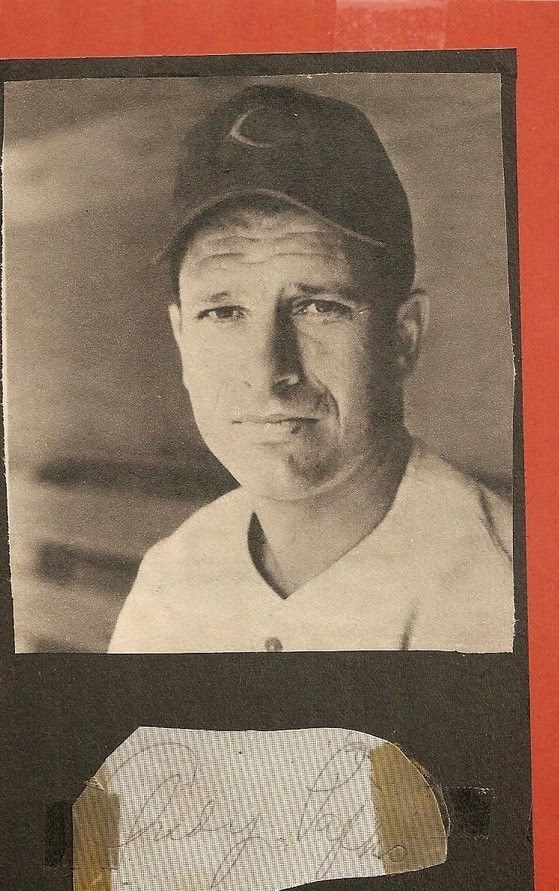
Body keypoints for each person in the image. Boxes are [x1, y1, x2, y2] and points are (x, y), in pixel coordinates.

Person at [109, 84, 514, 654]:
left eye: (318, 307)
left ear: (403, 336)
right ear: (181, 337)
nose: (269, 371)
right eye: (223, 313)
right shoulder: (170, 578)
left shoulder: (506, 594)